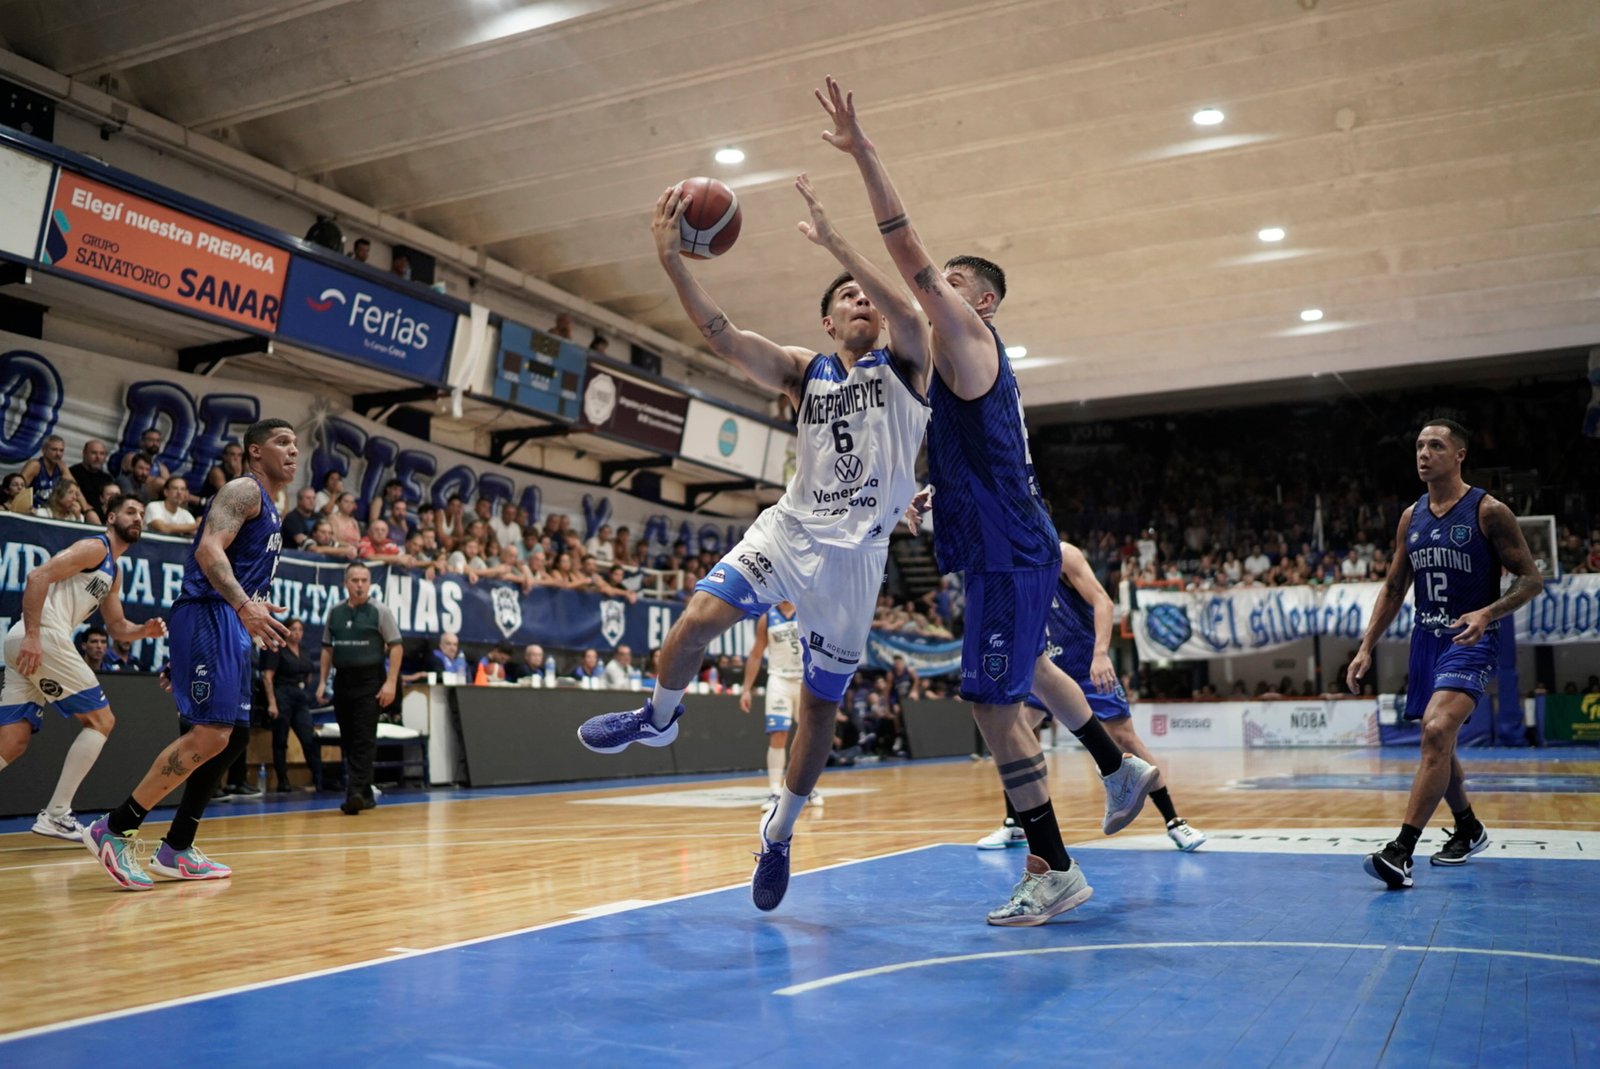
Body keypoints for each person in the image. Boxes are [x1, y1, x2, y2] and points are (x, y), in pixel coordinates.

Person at [825, 76, 1153, 924]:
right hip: (998, 542)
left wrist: (863, 159)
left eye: (955, 279)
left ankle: (1053, 866)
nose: (940, 287)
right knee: (1032, 668)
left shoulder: (968, 334)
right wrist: (929, 499)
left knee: (987, 697)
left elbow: (905, 262)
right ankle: (1120, 770)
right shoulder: (958, 365)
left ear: (982, 301)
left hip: (1010, 548)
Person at [577, 164, 932, 916]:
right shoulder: (805, 372)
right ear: (828, 323)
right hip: (792, 529)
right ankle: (658, 716)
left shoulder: (907, 364)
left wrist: (839, 243)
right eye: (845, 297)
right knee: (696, 621)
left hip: (858, 559)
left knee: (820, 709)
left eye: (866, 294)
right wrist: (672, 261)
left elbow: (911, 308)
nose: (861, 299)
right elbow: (723, 335)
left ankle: (780, 831)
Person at [83, 420, 296, 889]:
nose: (293, 451)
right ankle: (115, 828)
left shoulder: (272, 507)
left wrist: (250, 602)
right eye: (283, 442)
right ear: (255, 452)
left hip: (227, 622)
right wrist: (243, 605)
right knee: (211, 733)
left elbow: (232, 564)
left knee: (234, 737)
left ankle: (177, 847)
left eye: (296, 444)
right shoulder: (245, 489)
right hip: (212, 615)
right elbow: (207, 552)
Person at [1351, 420, 1542, 889]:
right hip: (1425, 641)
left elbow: (1531, 578)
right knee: (1440, 743)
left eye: (1435, 445)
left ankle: (1401, 852)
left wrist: (1488, 613)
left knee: (1437, 730)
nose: (1423, 453)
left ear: (1459, 455)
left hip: (1470, 639)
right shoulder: (1410, 516)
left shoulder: (1489, 510)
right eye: (1418, 445)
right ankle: (1469, 826)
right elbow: (1395, 587)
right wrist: (1366, 646)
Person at [978, 541, 1207, 852]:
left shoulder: (1063, 555)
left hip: (1087, 667)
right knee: (1012, 732)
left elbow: (1103, 602)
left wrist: (1101, 654)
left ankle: (1175, 822)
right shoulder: (1010, 564)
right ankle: (1014, 824)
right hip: (1045, 669)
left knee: (1126, 739)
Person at [2, 496, 166, 843]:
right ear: (110, 517)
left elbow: (117, 626)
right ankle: (57, 814)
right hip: (40, 636)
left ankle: (56, 814)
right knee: (102, 720)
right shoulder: (96, 547)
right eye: (130, 512)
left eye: (141, 514)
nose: (138, 518)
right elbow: (37, 576)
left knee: (11, 742)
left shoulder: (114, 572)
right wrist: (33, 635)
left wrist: (143, 631)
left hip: (27, 642)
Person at [317, 563, 402, 815]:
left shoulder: (380, 611)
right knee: (349, 738)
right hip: (343, 680)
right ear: (346, 583)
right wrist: (322, 681)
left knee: (364, 738)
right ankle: (365, 794)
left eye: (364, 580)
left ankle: (353, 793)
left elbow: (396, 646)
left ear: (370, 583)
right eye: (355, 580)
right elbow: (327, 648)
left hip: (370, 682)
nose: (360, 584)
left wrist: (391, 682)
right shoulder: (335, 612)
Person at [740, 601, 823, 808]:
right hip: (779, 680)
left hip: (805, 681)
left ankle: (805, 786)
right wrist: (746, 689)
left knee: (806, 737)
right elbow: (756, 654)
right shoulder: (767, 618)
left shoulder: (807, 612)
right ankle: (775, 791)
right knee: (778, 733)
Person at [261, 619, 323, 793]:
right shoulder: (277, 648)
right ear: (286, 631)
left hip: (300, 697)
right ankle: (283, 781)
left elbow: (309, 672)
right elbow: (267, 676)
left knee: (309, 738)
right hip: (282, 696)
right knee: (280, 741)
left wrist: (304, 687)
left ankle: (319, 778)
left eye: (300, 629)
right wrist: (272, 703)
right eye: (293, 629)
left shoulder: (304, 650)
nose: (297, 633)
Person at [19, 434, 68, 509]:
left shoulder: (61, 466)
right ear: (44, 450)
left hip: (51, 511)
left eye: (61, 450)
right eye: (54, 450)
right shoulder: (35, 465)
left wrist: (87, 509)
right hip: (32, 510)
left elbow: (75, 489)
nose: (58, 454)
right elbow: (17, 490)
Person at [70, 439, 117, 510]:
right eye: (94, 453)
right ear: (84, 454)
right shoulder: (72, 473)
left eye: (101, 453)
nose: (98, 457)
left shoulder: (108, 479)